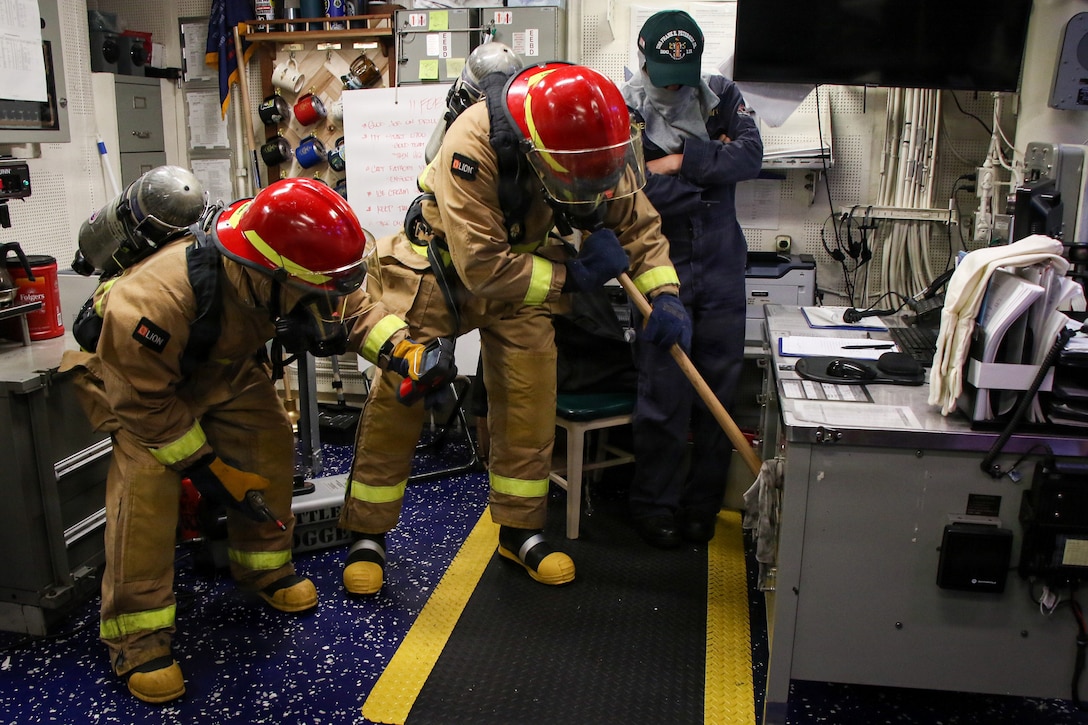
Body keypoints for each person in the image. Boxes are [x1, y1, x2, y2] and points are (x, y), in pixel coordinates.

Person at [59, 177, 438, 704]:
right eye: (312, 295)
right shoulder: (152, 300)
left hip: (225, 369)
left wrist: (405, 351)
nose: (322, 305)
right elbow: (144, 405)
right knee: (146, 491)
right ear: (270, 275)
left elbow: (351, 306)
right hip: (139, 389)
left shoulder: (282, 262)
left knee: (269, 448)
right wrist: (209, 468)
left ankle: (264, 568)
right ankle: (137, 636)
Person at [338, 62, 691, 594]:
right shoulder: (472, 143)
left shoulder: (597, 137)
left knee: (530, 399)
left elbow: (635, 222)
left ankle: (519, 531)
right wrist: (575, 277)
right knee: (398, 398)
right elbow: (481, 266)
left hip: (527, 270)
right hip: (441, 267)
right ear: (536, 152)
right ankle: (367, 536)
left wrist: (665, 294)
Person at [620, 10, 764, 548]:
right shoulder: (624, 107)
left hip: (723, 265)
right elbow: (630, 188)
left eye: (683, 71)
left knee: (719, 396)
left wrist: (679, 160)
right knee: (663, 394)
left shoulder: (721, 93)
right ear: (643, 58)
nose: (675, 82)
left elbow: (749, 157)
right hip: (665, 264)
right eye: (663, 70)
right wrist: (708, 169)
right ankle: (653, 505)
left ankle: (703, 507)